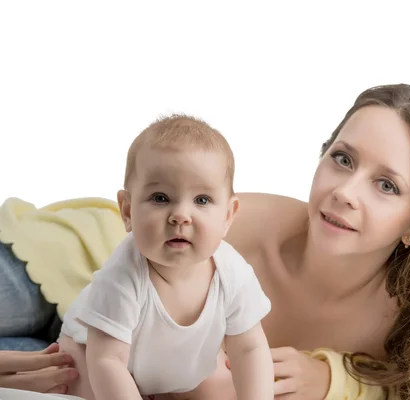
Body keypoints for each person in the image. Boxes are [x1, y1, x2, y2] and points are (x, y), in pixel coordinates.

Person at [0, 83, 410, 399]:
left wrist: (333, 379)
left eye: (386, 185)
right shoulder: (253, 228)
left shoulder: (408, 318)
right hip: (65, 264)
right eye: (342, 159)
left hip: (94, 366)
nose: (345, 191)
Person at [58, 115, 274, 399]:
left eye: (202, 200)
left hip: (178, 369)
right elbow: (107, 360)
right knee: (82, 385)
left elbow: (249, 348)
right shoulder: (123, 275)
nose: (181, 216)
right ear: (127, 211)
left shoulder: (231, 272)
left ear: (228, 216)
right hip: (92, 351)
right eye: (160, 198)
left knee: (223, 387)